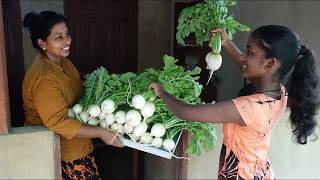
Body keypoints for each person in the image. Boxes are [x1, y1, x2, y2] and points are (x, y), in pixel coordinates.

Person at [150, 25, 319, 179]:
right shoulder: (280, 93)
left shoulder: (247, 108)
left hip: (241, 175)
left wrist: (161, 91)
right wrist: (225, 42)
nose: (244, 57)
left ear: (269, 63)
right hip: (259, 171)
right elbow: (246, 65)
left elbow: (186, 112)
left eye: (250, 53)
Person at [22, 11, 123, 179]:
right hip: (62, 155)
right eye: (59, 37)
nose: (67, 40)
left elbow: (79, 93)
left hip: (79, 146)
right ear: (42, 43)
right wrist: (100, 132)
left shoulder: (65, 64)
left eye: (67, 34)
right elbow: (58, 122)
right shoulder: (43, 77)